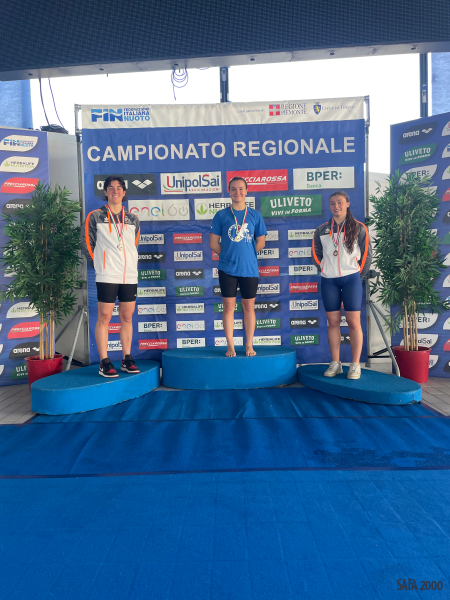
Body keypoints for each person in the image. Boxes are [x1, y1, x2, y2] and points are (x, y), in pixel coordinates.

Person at [81, 175, 141, 377]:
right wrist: (101, 266)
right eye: (111, 188)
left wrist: (130, 265)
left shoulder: (133, 219)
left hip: (129, 275)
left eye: (119, 188)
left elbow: (134, 246)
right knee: (105, 317)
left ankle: (126, 358)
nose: (115, 191)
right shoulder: (95, 216)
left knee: (127, 316)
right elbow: (86, 244)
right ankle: (104, 362)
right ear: (105, 192)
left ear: (124, 193)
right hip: (107, 274)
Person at [312, 191, 372, 380]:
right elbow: (315, 253)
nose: (336, 206)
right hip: (329, 280)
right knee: (333, 323)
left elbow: (366, 255)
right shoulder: (321, 230)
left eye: (339, 202)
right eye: (332, 203)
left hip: (351, 279)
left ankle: (355, 365)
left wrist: (357, 276)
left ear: (347, 204)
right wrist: (324, 268)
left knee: (354, 323)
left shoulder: (359, 227)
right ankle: (336, 363)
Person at [210, 176, 267, 357]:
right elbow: (213, 243)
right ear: (229, 192)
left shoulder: (255, 215)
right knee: (228, 307)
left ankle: (249, 345)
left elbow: (261, 242)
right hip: (227, 269)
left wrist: (247, 255)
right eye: (234, 189)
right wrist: (227, 256)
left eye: (241, 188)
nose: (237, 192)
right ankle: (230, 346)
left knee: (249, 307)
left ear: (246, 191)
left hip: (249, 269)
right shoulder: (221, 215)